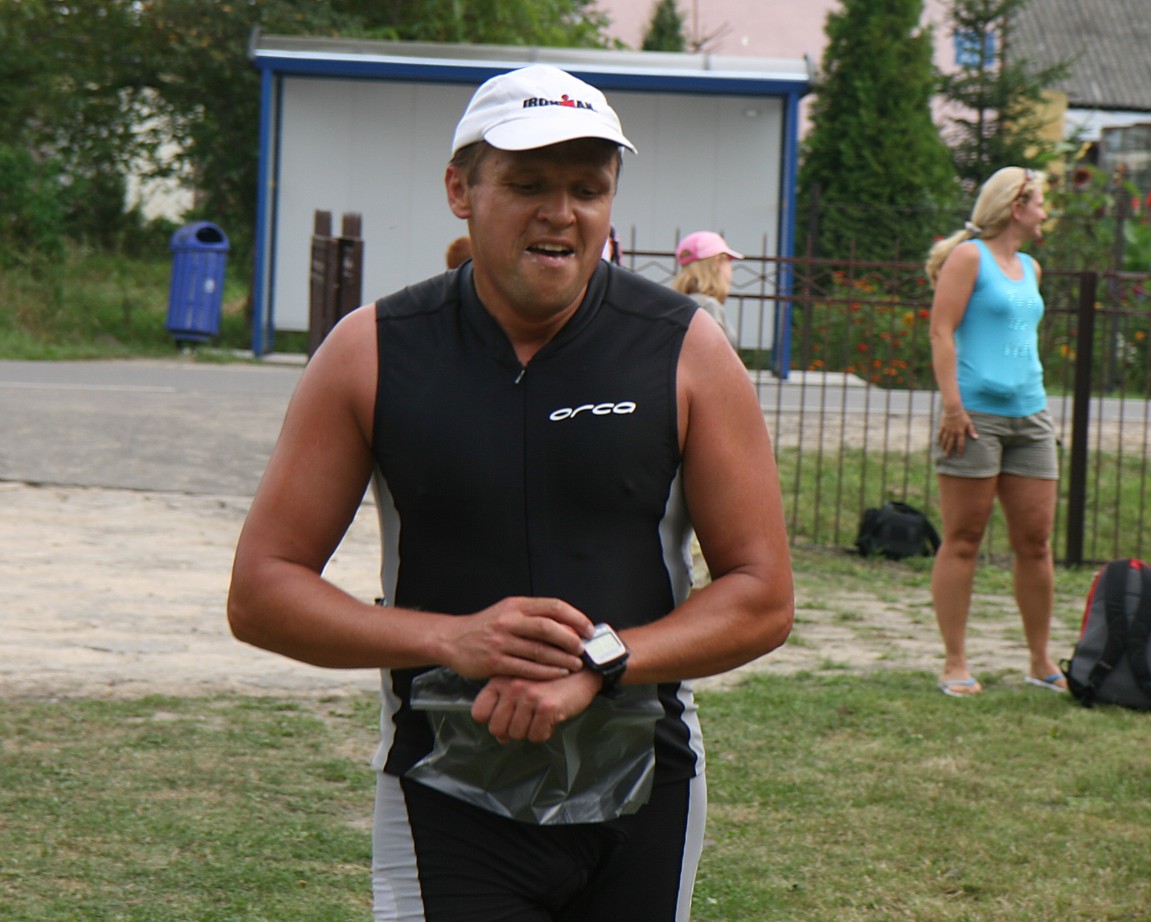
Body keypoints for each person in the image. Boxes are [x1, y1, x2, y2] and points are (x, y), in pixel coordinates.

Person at [227, 63, 794, 920]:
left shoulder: (685, 350)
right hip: (444, 788)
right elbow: (262, 592)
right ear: (460, 190)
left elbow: (763, 597)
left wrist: (599, 665)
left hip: (647, 787)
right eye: (527, 184)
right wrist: (452, 639)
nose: (560, 212)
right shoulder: (372, 350)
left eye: (587, 188)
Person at [926, 166, 1064, 698]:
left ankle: (1040, 661)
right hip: (974, 416)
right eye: (1040, 203)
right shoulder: (969, 258)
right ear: (1016, 207)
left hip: (1031, 416)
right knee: (963, 539)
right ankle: (955, 662)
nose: (1045, 213)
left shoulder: (1031, 267)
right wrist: (953, 408)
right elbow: (941, 331)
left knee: (1036, 543)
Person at [669, 231, 742, 347]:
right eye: (728, 261)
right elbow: (714, 351)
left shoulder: (676, 304)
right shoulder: (709, 306)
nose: (731, 268)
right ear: (718, 261)